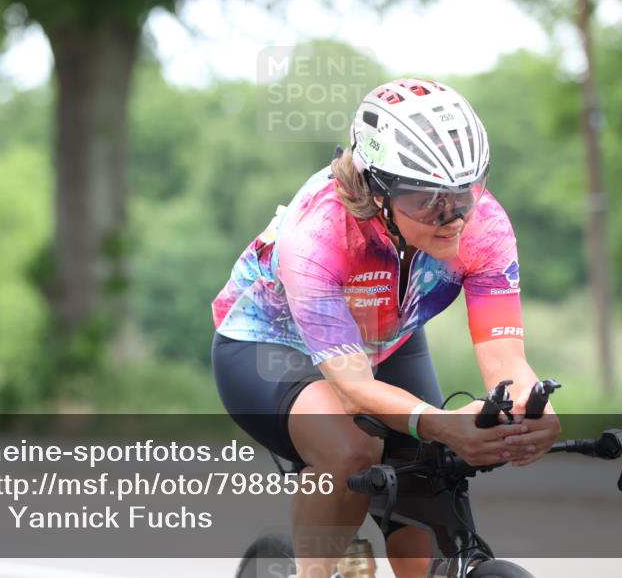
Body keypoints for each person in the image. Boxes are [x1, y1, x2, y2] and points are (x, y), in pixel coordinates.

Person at [211, 78, 561, 578]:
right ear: (378, 193)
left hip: (384, 338)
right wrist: (441, 422)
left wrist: (531, 410)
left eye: (464, 193)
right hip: (269, 346)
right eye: (427, 200)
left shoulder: (485, 227)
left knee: (429, 465)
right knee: (352, 448)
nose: (453, 217)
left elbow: (506, 358)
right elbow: (353, 390)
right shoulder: (319, 233)